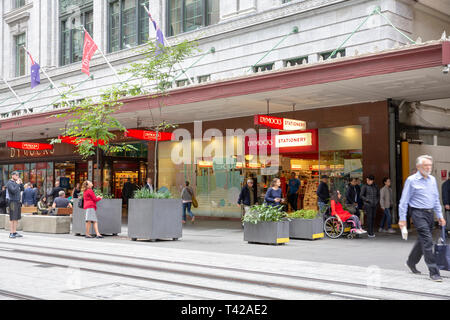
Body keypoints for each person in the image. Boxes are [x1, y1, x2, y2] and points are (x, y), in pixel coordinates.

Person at [399, 155, 446, 282]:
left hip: (430, 214)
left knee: (422, 240)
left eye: (430, 165)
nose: (429, 167)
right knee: (427, 240)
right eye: (426, 165)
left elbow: (436, 199)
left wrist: (440, 216)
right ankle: (434, 272)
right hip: (418, 213)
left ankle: (411, 261)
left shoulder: (432, 180)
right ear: (419, 166)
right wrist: (402, 219)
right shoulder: (411, 180)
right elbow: (404, 201)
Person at [6, 172, 23, 239]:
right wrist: (18, 184)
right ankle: (11, 232)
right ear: (12, 175)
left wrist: (21, 184)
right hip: (12, 202)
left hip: (18, 202)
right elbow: (13, 191)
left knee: (16, 217)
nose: (17, 176)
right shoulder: (9, 183)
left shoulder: (17, 183)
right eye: (16, 175)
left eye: (18, 175)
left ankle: (14, 232)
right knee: (12, 217)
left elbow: (22, 189)